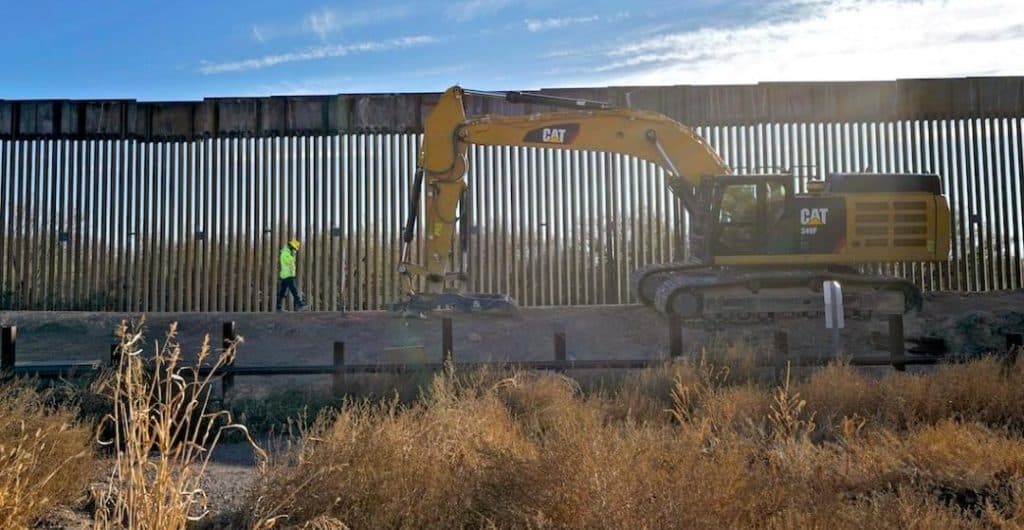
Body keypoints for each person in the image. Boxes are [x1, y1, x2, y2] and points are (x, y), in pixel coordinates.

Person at [276, 238, 308, 311]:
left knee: (282, 292)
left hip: (287, 275)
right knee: (294, 290)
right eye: (295, 249)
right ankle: (300, 305)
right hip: (288, 275)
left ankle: (278, 307)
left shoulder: (288, 253)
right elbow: (288, 262)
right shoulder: (285, 253)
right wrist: (293, 256)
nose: (295, 251)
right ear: (291, 247)